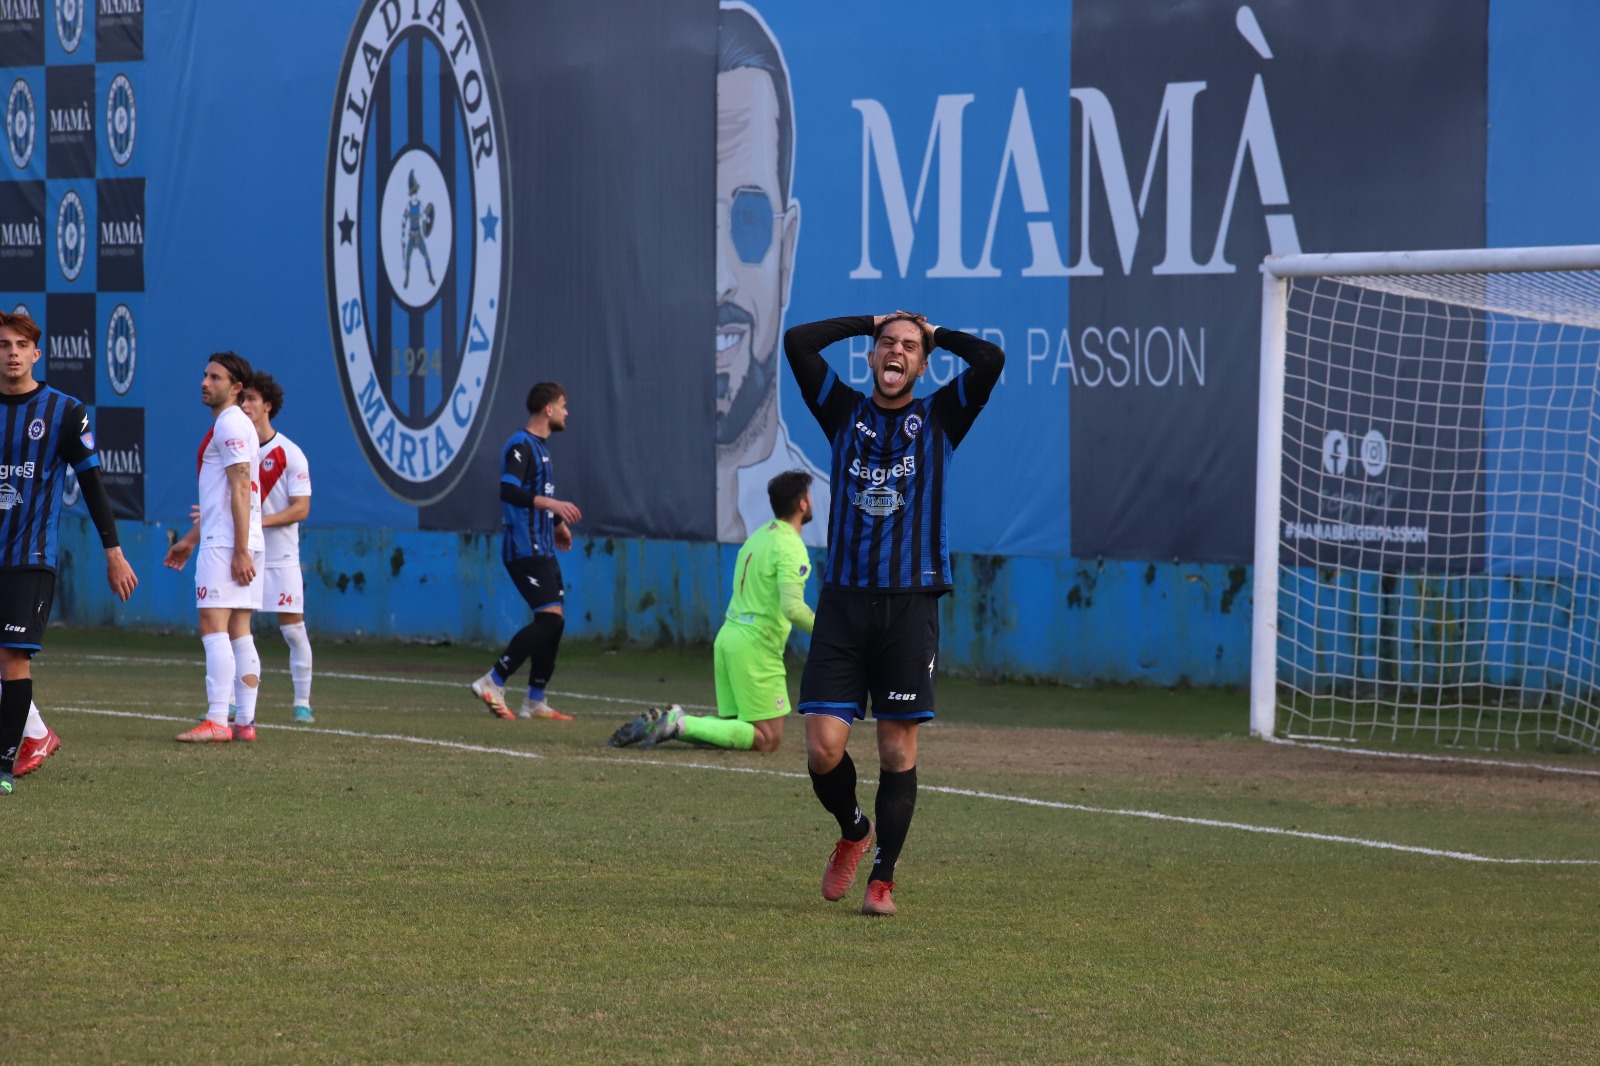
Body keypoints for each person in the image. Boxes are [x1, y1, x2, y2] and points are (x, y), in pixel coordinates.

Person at [782, 311, 1004, 916]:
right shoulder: (841, 410)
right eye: (888, 343)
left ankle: (883, 880)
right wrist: (870, 320)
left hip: (911, 605)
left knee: (895, 751)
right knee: (823, 747)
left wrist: (939, 333)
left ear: (922, 362)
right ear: (872, 355)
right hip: (845, 604)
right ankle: (855, 831)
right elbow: (797, 342)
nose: (896, 351)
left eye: (909, 346)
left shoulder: (940, 416)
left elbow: (989, 362)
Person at [0, 311, 138, 794]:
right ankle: (36, 734)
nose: (12, 352)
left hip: (28, 557)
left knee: (13, 658)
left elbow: (93, 486)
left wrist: (113, 552)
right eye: (3, 345)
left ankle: (3, 766)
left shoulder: (64, 411)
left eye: (20, 345)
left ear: (36, 355)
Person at [714, 2, 828, 547]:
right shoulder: (586, 504)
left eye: (749, 220)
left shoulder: (832, 524)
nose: (719, 279)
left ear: (786, 252)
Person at [609, 469, 816, 752]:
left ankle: (666, 724)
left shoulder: (759, 537)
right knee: (768, 738)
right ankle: (678, 722)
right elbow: (792, 608)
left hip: (729, 639)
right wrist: (828, 632)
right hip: (756, 645)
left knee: (734, 729)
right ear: (802, 503)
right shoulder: (790, 545)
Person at [162, 352, 265, 744]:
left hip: (229, 544)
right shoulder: (238, 424)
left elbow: (241, 485)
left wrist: (237, 549)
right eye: (205, 375)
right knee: (240, 629)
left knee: (213, 626)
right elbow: (227, 494)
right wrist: (190, 540)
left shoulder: (231, 423)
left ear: (236, 388)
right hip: (239, 538)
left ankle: (218, 719)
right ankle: (245, 723)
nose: (205, 382)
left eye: (216, 377)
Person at [468, 382, 581, 722]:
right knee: (549, 618)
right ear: (548, 409)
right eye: (563, 404)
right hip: (523, 548)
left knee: (555, 623)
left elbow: (537, 495)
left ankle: (534, 700)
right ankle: (493, 680)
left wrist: (557, 522)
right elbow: (508, 490)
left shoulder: (542, 449)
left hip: (543, 546)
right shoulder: (520, 444)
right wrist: (552, 505)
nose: (566, 411)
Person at [239, 372, 316, 723]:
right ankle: (228, 703)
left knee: (293, 631)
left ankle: (302, 704)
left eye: (252, 399)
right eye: (242, 399)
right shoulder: (237, 448)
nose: (245, 405)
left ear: (267, 406)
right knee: (235, 629)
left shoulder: (290, 453)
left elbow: (301, 509)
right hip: (248, 552)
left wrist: (258, 523)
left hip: (282, 557)